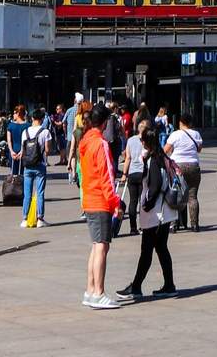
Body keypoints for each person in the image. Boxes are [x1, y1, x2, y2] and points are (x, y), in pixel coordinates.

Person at [116, 129, 178, 300]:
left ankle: (136, 287)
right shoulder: (161, 156)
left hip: (156, 213)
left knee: (147, 250)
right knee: (161, 248)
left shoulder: (154, 159)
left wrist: (147, 204)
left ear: (145, 142)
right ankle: (169, 285)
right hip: (164, 212)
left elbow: (156, 185)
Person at [80, 106, 121, 309]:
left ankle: (90, 290)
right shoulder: (100, 144)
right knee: (102, 246)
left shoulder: (86, 141)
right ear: (104, 123)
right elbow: (107, 176)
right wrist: (115, 203)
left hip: (89, 198)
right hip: (100, 200)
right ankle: (99, 292)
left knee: (96, 246)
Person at [165, 112, 202, 233]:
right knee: (192, 196)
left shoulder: (175, 134)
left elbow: (166, 150)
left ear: (180, 122)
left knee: (176, 195)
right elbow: (199, 149)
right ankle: (194, 225)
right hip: (193, 166)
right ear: (190, 123)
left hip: (178, 166)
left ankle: (174, 224)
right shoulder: (196, 134)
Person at [16, 109, 52, 228]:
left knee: (27, 193)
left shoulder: (25, 132)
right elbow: (47, 150)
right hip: (40, 165)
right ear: (42, 119)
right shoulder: (45, 132)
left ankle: (25, 219)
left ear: (32, 118)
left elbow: (23, 149)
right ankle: (40, 218)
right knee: (40, 192)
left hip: (27, 166)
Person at [121, 119, 149, 235]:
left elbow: (127, 158)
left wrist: (124, 174)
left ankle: (133, 228)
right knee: (142, 201)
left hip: (132, 173)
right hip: (143, 173)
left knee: (133, 201)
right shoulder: (148, 140)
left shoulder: (131, 140)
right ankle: (143, 226)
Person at [6, 105, 29, 176]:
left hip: (13, 150)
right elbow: (27, 140)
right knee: (23, 173)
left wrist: (11, 151)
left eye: (14, 113)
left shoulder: (10, 125)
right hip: (24, 151)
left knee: (13, 173)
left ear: (18, 114)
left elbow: (9, 140)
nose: (13, 115)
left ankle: (14, 187)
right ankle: (22, 187)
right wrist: (22, 151)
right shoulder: (28, 125)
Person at [62, 93, 83, 166]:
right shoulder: (83, 112)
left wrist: (65, 133)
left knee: (71, 154)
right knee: (79, 155)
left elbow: (64, 123)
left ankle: (71, 172)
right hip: (81, 137)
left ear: (74, 101)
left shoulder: (69, 110)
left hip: (70, 136)